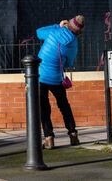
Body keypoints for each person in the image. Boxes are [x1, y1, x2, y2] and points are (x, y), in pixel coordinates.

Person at [37, 14, 84, 149]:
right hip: (57, 78)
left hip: (40, 76)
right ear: (79, 31)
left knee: (44, 107)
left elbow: (38, 32)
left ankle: (49, 138)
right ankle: (73, 134)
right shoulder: (73, 43)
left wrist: (57, 25)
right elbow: (69, 63)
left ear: (68, 24)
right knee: (64, 105)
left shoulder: (55, 31)